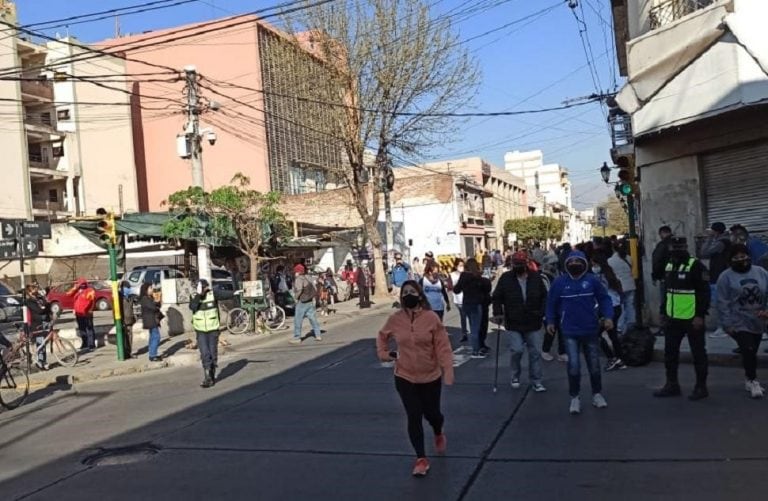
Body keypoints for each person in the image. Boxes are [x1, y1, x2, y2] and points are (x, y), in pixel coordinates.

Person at [377, 280, 454, 477]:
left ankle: (438, 430)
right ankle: (421, 458)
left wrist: (448, 369)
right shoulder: (396, 319)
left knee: (432, 414)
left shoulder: (431, 318)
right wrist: (386, 354)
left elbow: (442, 345)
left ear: (420, 295)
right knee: (414, 415)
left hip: (430, 376)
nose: (408, 295)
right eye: (405, 293)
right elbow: (382, 336)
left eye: (412, 292)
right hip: (404, 376)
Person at [546, 250, 613, 415]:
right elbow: (551, 303)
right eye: (571, 262)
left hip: (590, 329)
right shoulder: (559, 283)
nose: (575, 265)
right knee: (574, 366)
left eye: (579, 262)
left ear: (585, 264)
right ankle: (574, 397)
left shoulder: (592, 281)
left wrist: (608, 316)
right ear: (566, 264)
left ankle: (597, 394)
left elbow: (605, 298)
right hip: (569, 331)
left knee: (594, 366)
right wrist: (550, 321)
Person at [654, 237, 711, 400]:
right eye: (674, 246)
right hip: (673, 319)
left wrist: (700, 315)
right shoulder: (670, 265)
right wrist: (663, 312)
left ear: (686, 247)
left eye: (680, 246)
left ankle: (701, 387)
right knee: (670, 354)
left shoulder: (696, 266)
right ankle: (672, 385)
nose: (676, 249)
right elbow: (667, 291)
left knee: (698, 354)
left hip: (692, 319)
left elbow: (704, 292)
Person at [716, 244, 768, 398]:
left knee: (752, 350)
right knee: (748, 348)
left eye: (743, 256)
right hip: (738, 320)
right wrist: (727, 324)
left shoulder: (761, 272)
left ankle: (748, 376)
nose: (741, 260)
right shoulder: (725, 277)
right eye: (736, 257)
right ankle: (753, 380)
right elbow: (722, 302)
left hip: (758, 320)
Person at [491, 251, 547, 392]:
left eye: (520, 264)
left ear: (526, 264)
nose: (517, 266)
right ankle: (515, 376)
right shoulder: (506, 278)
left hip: (533, 320)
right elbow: (497, 296)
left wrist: (542, 313)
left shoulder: (535, 278)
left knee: (535, 352)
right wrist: (498, 313)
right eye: (515, 264)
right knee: (517, 350)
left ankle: (536, 380)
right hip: (513, 321)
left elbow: (544, 296)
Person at [591, 253, 627, 371]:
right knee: (612, 335)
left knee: (597, 334)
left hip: (608, 309)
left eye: (594, 264)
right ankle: (620, 359)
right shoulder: (610, 274)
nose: (593, 267)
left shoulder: (600, 278)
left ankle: (612, 358)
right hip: (615, 307)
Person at [453, 258, 491, 358]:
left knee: (472, 326)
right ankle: (476, 350)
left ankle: (476, 348)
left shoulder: (464, 276)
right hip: (476, 303)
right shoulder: (477, 276)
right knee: (475, 328)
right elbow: (487, 288)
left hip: (466, 303)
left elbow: (456, 290)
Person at [701, 222, 732, 338]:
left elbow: (704, 252)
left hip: (719, 275)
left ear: (716, 231)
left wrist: (709, 238)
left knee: (720, 303)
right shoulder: (724, 241)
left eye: (712, 230)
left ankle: (722, 328)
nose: (710, 232)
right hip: (718, 275)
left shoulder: (722, 242)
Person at [190, 279, 221, 388]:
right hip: (200, 330)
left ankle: (211, 373)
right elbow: (192, 307)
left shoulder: (213, 295)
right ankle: (208, 378)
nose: (203, 290)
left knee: (212, 353)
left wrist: (239, 291)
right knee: (204, 353)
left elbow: (226, 294)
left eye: (204, 287)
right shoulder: (195, 297)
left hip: (213, 329)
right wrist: (198, 295)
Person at [608, 241, 636, 334]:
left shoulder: (610, 261)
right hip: (630, 285)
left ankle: (621, 326)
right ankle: (631, 323)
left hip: (620, 287)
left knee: (621, 306)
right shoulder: (629, 258)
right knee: (630, 305)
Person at [291, 263, 322, 344]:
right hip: (310, 301)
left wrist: (296, 297)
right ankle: (318, 335)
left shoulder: (299, 279)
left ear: (298, 272)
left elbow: (299, 290)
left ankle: (297, 337)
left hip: (302, 302)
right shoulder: (308, 277)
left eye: (295, 271)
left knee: (298, 320)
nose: (295, 273)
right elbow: (314, 287)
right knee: (312, 318)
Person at [26, 283, 50, 371]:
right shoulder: (29, 301)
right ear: (29, 292)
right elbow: (39, 310)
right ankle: (40, 362)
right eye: (33, 288)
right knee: (40, 343)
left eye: (36, 288)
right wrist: (44, 308)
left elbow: (47, 306)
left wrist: (44, 301)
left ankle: (44, 361)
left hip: (45, 321)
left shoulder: (39, 298)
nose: (36, 290)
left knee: (44, 343)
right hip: (37, 324)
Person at [67, 278, 96, 351]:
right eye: (80, 284)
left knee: (89, 329)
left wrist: (90, 310)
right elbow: (68, 294)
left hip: (87, 313)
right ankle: (85, 343)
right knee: (82, 329)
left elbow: (92, 301)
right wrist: (75, 288)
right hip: (78, 313)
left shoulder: (90, 290)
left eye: (82, 284)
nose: (81, 285)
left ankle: (91, 344)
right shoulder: (77, 291)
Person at [139, 282, 163, 362]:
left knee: (153, 337)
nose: (152, 289)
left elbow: (157, 306)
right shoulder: (145, 299)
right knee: (156, 337)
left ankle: (152, 354)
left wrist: (158, 301)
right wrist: (156, 302)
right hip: (151, 320)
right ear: (146, 290)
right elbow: (153, 307)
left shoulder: (149, 297)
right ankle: (153, 355)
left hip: (152, 320)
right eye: (150, 288)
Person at [450, 259, 469, 342]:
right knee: (463, 316)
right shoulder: (452, 275)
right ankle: (464, 333)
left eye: (462, 265)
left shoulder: (466, 274)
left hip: (467, 298)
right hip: (458, 299)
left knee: (468, 316)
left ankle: (472, 333)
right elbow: (450, 286)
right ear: (456, 266)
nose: (461, 267)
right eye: (460, 265)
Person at [119, 280, 135, 358]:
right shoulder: (119, 297)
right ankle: (124, 353)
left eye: (129, 288)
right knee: (124, 337)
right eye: (127, 288)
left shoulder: (130, 297)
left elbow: (132, 308)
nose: (128, 289)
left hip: (130, 320)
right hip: (123, 320)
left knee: (130, 337)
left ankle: (129, 352)